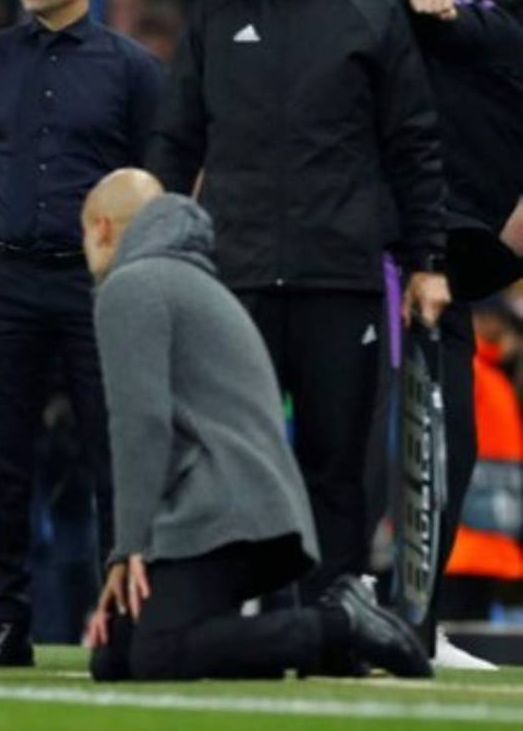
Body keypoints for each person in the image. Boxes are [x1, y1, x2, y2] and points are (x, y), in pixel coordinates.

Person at [146, 0, 451, 601]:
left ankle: (332, 617)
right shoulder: (217, 13)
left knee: (335, 466)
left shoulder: (369, 13)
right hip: (234, 279)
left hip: (338, 278)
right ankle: (218, 611)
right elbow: (174, 144)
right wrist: (149, 251)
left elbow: (412, 146)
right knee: (224, 458)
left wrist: (426, 262)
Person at [82, 168, 431, 682]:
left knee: (158, 654)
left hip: (223, 514)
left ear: (103, 228)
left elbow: (141, 424)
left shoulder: (131, 287)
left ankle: (338, 625)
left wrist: (129, 546)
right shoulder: (197, 282)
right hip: (258, 513)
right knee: (116, 655)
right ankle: (270, 645)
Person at [0, 0, 164, 667]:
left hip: (97, 288)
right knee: (0, 462)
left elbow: (157, 182)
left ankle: (122, 628)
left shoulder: (131, 68)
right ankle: (5, 628)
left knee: (114, 460)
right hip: (2, 280)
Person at [402, 0, 523, 666]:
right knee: (400, 433)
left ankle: (410, 618)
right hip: (400, 250)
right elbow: (438, 13)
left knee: (447, 439)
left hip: (443, 258)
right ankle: (372, 606)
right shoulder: (491, 24)